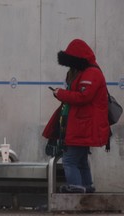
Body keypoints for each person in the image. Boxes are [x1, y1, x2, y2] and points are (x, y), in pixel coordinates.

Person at [43, 39, 110, 193]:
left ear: (77, 59)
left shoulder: (91, 73)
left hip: (82, 126)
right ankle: (87, 190)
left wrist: (60, 93)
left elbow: (83, 97)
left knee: (69, 160)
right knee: (81, 162)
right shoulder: (88, 72)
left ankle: (76, 192)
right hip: (81, 125)